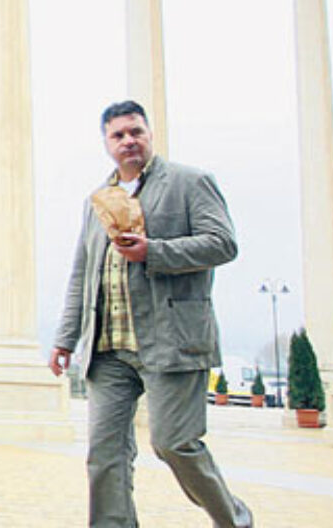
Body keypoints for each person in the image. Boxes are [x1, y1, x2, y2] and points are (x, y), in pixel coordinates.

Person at [49, 101, 253, 528]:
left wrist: (154, 252)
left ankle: (234, 521)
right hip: (107, 347)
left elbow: (223, 243)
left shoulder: (189, 183)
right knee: (104, 454)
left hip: (171, 339)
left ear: (149, 134)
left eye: (135, 132)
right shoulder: (96, 201)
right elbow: (82, 272)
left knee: (174, 443)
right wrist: (66, 338)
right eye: (118, 135)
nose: (128, 141)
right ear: (106, 143)